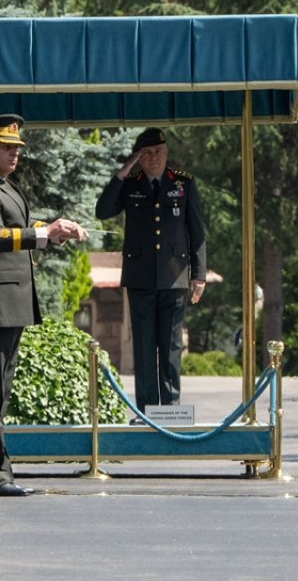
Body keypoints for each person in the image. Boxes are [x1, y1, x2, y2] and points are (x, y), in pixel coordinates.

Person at [0, 114, 86, 497]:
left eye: (17, 148)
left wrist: (54, 230)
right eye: (6, 147)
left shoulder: (2, 186)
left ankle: (1, 473)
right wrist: (44, 233)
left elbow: (22, 223)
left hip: (9, 302)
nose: (15, 153)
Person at [95, 127, 207, 414]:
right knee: (144, 347)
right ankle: (147, 411)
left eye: (158, 152)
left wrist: (199, 274)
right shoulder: (130, 183)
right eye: (146, 154)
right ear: (138, 157)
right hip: (140, 277)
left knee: (170, 347)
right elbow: (103, 210)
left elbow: (197, 231)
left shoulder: (183, 183)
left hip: (175, 276)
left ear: (166, 153)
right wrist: (122, 173)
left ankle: (169, 409)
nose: (154, 158)